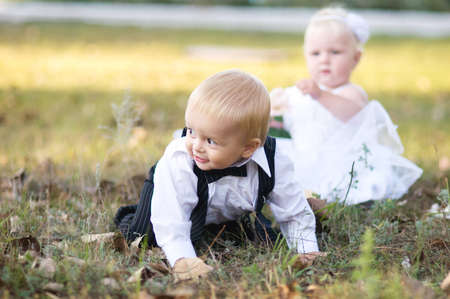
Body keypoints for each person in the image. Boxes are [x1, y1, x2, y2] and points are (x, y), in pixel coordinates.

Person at [115, 69, 322, 281]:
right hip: (173, 195)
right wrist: (183, 260)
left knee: (247, 235)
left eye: (210, 141)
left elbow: (292, 211)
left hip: (225, 208)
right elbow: (171, 220)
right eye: (191, 131)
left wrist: (306, 250)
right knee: (144, 235)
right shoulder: (181, 159)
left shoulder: (274, 160)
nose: (196, 146)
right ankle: (137, 217)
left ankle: (223, 223)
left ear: (249, 148)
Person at [270, 7, 422, 206]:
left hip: (345, 163)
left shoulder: (350, 92)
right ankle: (310, 202)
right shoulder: (301, 93)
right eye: (315, 53)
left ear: (355, 58)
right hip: (308, 161)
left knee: (345, 189)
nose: (324, 59)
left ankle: (332, 206)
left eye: (335, 52)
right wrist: (277, 107)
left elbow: (352, 112)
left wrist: (321, 95)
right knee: (296, 183)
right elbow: (286, 121)